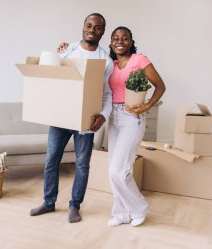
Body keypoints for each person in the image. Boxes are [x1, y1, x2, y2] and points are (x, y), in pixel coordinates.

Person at [30, 13, 114, 223]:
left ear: (102, 32)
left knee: (82, 164)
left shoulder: (106, 60)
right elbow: (55, 79)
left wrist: (103, 116)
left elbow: (108, 94)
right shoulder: (68, 50)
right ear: (83, 27)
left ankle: (75, 206)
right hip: (61, 118)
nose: (92, 30)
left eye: (97, 27)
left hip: (85, 121)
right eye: (89, 25)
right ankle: (49, 203)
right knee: (51, 161)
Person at [106, 26, 166, 227]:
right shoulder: (110, 64)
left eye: (124, 38)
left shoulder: (140, 60)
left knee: (119, 169)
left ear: (131, 42)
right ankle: (121, 213)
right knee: (113, 170)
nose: (120, 41)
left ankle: (139, 209)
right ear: (111, 43)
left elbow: (160, 85)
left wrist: (148, 105)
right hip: (113, 118)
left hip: (132, 117)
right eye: (115, 38)